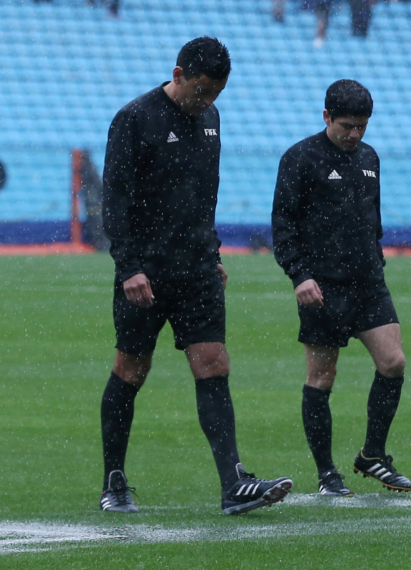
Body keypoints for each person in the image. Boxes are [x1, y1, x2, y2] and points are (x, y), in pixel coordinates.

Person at [100, 37, 292, 515]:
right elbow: (115, 200)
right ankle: (114, 480)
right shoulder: (134, 118)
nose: (206, 102)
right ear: (179, 73)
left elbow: (202, 194)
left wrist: (213, 252)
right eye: (201, 91)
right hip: (146, 273)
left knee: (214, 364)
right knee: (131, 369)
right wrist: (129, 267)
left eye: (215, 95)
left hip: (198, 269)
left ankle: (233, 485)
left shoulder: (210, 118)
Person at [272, 79, 411, 497]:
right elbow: (283, 226)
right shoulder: (301, 158)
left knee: (394, 362)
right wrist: (299, 275)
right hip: (322, 287)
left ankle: (373, 455)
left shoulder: (370, 157)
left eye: (362, 127)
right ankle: (326, 475)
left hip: (368, 283)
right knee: (321, 377)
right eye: (347, 126)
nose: (355, 135)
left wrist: (377, 259)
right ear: (326, 117)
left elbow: (374, 218)